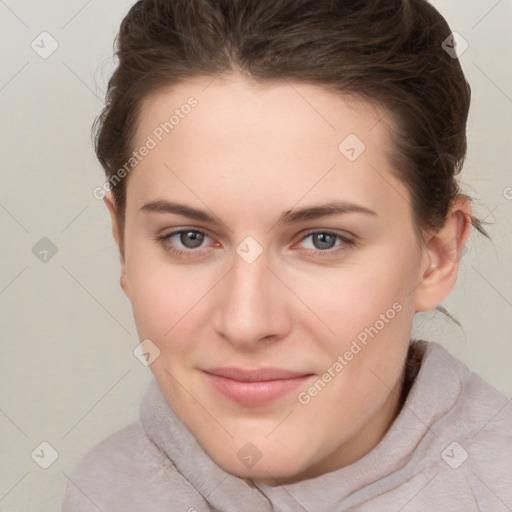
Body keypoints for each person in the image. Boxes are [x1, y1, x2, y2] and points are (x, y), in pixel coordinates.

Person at [62, 0, 512, 510]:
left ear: (437, 255)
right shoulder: (102, 491)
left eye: (324, 239)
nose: (246, 323)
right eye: (189, 237)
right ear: (123, 245)